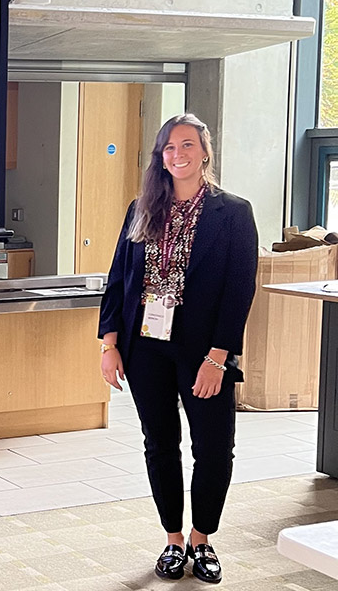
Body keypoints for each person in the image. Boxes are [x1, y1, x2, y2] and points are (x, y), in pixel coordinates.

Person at [98, 113, 258, 584]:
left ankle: (202, 539)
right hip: (145, 346)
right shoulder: (141, 208)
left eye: (187, 145)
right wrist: (109, 343)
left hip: (202, 352)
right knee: (160, 444)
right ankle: (171, 540)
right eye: (169, 147)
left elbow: (238, 290)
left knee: (213, 448)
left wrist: (218, 357)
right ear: (160, 157)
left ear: (204, 151)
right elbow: (119, 279)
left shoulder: (234, 212)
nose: (178, 154)